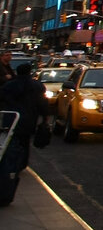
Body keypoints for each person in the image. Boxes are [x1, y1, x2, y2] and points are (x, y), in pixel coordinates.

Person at [0, 63, 48, 205]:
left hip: (12, 119)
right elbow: (42, 103)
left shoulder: (10, 85)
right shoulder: (37, 86)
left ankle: (13, 163)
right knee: (25, 141)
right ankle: (21, 163)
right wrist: (45, 118)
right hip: (29, 120)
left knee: (11, 141)